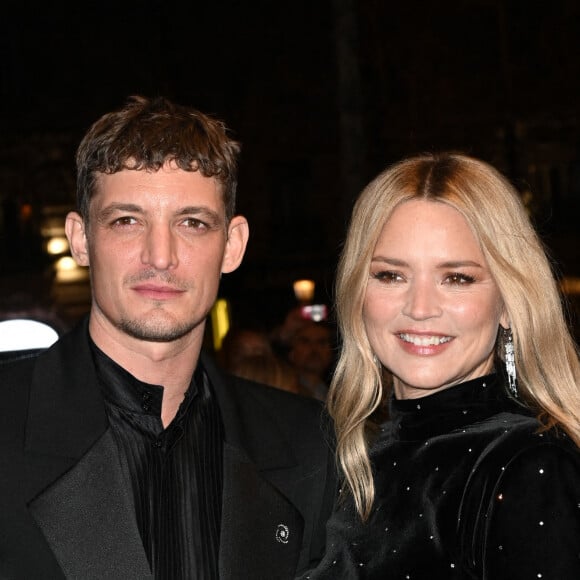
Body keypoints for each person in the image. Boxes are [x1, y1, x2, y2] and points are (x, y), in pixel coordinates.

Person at [0, 96, 336, 580]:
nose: (161, 256)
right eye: (127, 221)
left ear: (232, 245)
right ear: (80, 239)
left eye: (192, 223)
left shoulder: (309, 446)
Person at [299, 152, 580, 579]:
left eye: (457, 278)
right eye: (391, 275)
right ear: (358, 292)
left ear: (508, 303)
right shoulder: (360, 458)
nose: (420, 308)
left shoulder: (528, 467)